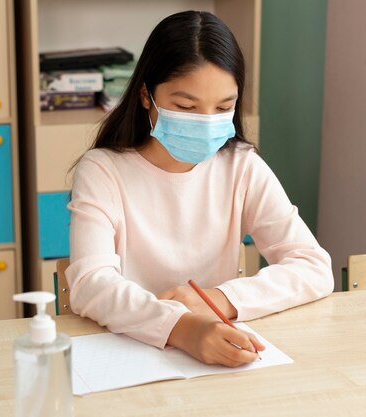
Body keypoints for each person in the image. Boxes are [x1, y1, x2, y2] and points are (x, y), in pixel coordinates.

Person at [66, 10, 333, 368]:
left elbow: (314, 266)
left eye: (223, 107)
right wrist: (182, 328)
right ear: (147, 95)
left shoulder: (240, 165)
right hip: (127, 354)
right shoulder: (103, 170)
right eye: (186, 106)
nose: (207, 122)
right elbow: (91, 284)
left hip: (217, 352)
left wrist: (219, 299)